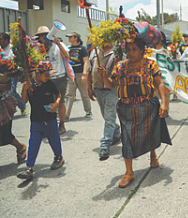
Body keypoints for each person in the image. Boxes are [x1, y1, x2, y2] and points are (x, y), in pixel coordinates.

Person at [98, 39, 170, 188]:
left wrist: (164, 102)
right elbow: (111, 84)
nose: (130, 52)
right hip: (126, 108)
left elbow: (160, 83)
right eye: (128, 49)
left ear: (142, 50)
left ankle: (152, 155)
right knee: (127, 138)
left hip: (148, 105)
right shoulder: (120, 66)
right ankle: (129, 172)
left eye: (134, 49)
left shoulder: (150, 64)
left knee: (149, 132)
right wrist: (104, 76)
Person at [17, 61, 65, 180]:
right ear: (37, 72)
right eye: (46, 74)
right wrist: (24, 89)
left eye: (50, 74)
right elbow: (23, 101)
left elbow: (58, 94)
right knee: (33, 143)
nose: (48, 77)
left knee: (54, 140)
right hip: (36, 120)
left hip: (50, 119)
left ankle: (59, 157)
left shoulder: (50, 83)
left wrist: (56, 104)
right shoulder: (30, 84)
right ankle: (29, 167)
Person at [0, 44, 27, 175]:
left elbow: (7, 87)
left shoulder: (1, 70)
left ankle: (20, 146)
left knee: (4, 134)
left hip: (0, 106)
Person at [88, 43, 121, 161]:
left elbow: (118, 74)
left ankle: (105, 145)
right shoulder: (95, 52)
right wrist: (89, 87)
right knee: (106, 116)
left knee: (109, 117)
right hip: (97, 89)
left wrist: (105, 76)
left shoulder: (117, 52)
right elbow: (89, 70)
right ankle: (116, 133)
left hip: (111, 90)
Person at [35, 26, 70, 134]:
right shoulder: (38, 48)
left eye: (46, 34)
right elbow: (37, 63)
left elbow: (67, 56)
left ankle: (62, 124)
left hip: (59, 77)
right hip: (45, 79)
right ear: (39, 37)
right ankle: (49, 125)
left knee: (60, 102)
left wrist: (58, 43)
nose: (44, 37)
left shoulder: (57, 45)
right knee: (46, 102)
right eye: (41, 35)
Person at [0, 32, 27, 116]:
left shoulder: (12, 49)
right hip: (1, 74)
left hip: (12, 73)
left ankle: (22, 106)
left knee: (11, 91)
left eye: (0, 39)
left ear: (6, 40)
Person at [64, 31, 92, 120]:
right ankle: (66, 115)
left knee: (84, 94)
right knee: (69, 94)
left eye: (70, 37)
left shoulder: (82, 49)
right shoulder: (67, 48)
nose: (69, 38)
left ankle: (88, 110)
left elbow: (86, 61)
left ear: (76, 38)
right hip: (71, 75)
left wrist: (84, 74)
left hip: (80, 74)